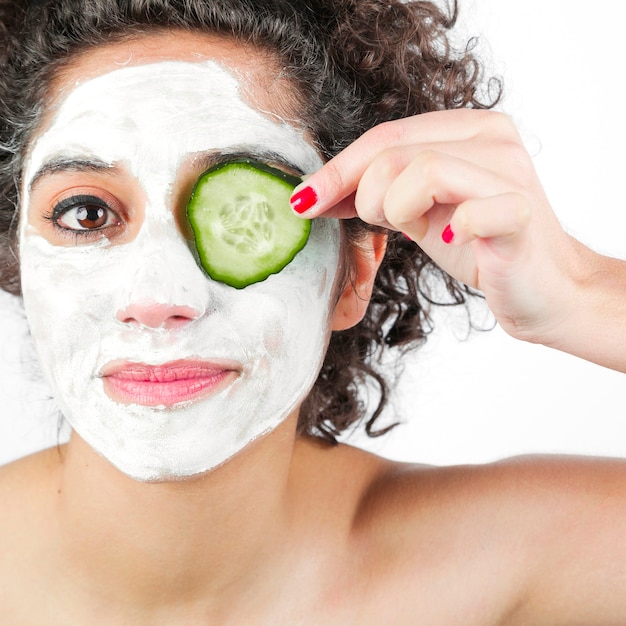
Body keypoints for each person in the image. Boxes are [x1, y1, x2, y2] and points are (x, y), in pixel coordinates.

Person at [0, 0, 625, 623]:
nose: (161, 299)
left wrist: (585, 294)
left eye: (249, 215)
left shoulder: (506, 563)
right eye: (87, 214)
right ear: (19, 258)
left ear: (353, 273)